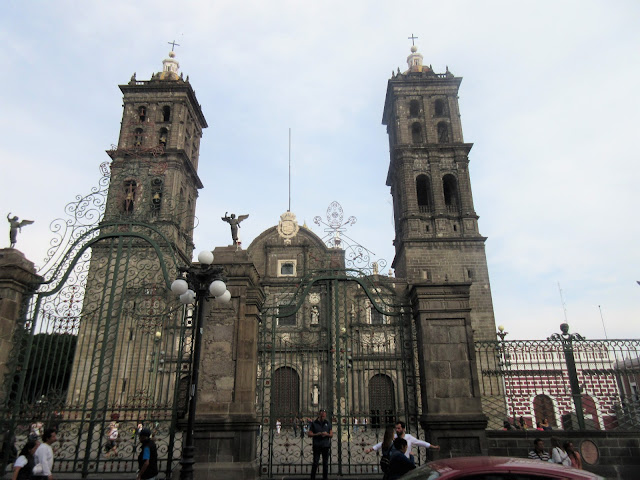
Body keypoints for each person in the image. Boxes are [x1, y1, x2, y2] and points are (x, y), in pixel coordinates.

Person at [365, 421, 439, 458]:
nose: (397, 430)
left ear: (403, 429)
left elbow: (420, 442)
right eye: (396, 428)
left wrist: (433, 447)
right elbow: (382, 444)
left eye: (398, 428)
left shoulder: (409, 437)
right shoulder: (394, 437)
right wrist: (371, 449)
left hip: (406, 461)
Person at [308, 409, 332, 480]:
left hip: (325, 446)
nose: (323, 417)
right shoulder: (314, 423)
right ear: (319, 415)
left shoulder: (328, 423)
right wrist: (316, 434)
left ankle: (325, 478)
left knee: (325, 463)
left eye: (324, 415)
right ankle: (312, 477)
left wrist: (326, 434)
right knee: (315, 462)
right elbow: (309, 433)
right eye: (322, 415)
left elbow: (331, 434)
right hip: (317, 445)